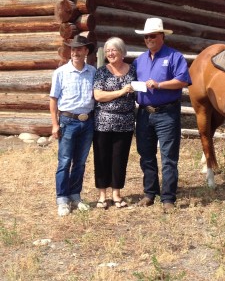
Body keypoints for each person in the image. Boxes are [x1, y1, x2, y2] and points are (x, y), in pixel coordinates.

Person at [133, 18, 192, 213]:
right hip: (143, 113)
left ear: (162, 36)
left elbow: (183, 80)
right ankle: (150, 193)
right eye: (146, 36)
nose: (149, 39)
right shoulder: (139, 61)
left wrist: (159, 85)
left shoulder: (174, 56)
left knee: (169, 156)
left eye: (153, 36)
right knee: (146, 155)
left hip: (167, 113)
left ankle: (168, 198)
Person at [49, 35, 96, 216]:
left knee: (80, 162)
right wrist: (55, 124)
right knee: (64, 161)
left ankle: (75, 196)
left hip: (87, 122)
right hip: (68, 121)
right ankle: (62, 199)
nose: (76, 52)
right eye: (73, 49)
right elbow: (53, 100)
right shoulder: (61, 72)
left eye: (80, 49)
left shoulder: (92, 72)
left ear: (86, 51)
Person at [93, 37, 136, 209]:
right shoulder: (102, 71)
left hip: (125, 122)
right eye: (108, 50)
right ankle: (102, 195)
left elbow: (138, 91)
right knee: (102, 158)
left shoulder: (132, 70)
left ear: (122, 52)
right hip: (103, 121)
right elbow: (98, 96)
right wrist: (121, 92)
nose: (110, 53)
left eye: (114, 50)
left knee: (120, 158)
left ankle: (116, 194)